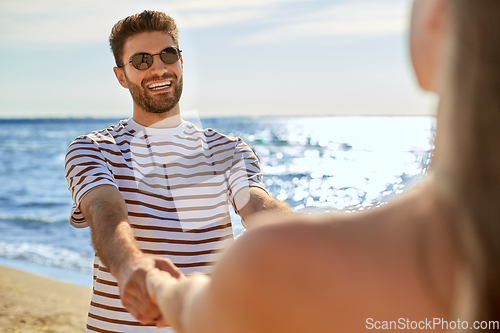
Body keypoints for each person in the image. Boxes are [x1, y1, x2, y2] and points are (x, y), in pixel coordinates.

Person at [144, 0, 500, 332]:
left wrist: (160, 285)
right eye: (143, 59)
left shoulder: (281, 264)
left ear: (437, 16)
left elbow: (195, 312)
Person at [64, 10, 291, 333]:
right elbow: (104, 208)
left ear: (181, 63)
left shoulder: (226, 149)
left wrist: (305, 241)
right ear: (121, 75)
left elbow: (256, 204)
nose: (157, 68)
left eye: (167, 55)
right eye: (141, 60)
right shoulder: (95, 148)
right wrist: (131, 266)